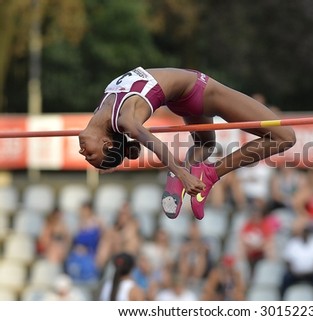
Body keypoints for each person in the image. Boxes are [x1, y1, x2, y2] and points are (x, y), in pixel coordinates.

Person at [78, 67, 296, 220]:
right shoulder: (123, 119)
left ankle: (180, 177)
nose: (82, 151)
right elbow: (153, 142)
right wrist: (184, 174)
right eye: (90, 156)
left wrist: (122, 154)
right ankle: (211, 173)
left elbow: (132, 144)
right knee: (285, 137)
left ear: (107, 142)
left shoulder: (103, 111)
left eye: (88, 156)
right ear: (106, 143)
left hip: (182, 98)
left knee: (205, 145)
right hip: (199, 91)